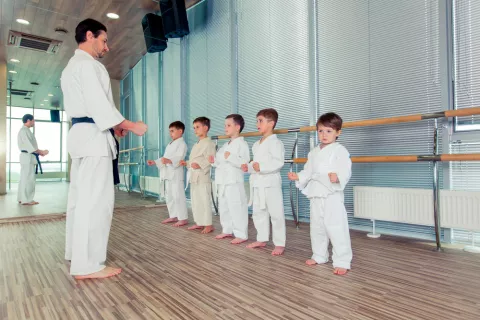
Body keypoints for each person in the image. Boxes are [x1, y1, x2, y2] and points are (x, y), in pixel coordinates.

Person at [61, 18, 147, 280]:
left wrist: (114, 127)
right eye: (104, 40)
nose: (107, 47)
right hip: (93, 140)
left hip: (83, 136)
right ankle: (88, 265)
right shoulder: (88, 66)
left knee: (79, 201)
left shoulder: (70, 67)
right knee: (95, 203)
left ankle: (76, 253)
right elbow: (99, 106)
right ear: (90, 35)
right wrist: (132, 126)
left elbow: (93, 109)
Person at [288, 112, 352, 275]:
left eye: (329, 131)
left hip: (332, 195)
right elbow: (308, 171)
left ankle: (342, 260)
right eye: (321, 131)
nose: (324, 135)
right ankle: (319, 255)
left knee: (336, 227)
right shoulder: (314, 152)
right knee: (317, 227)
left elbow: (345, 169)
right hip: (316, 193)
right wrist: (299, 177)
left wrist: (337, 177)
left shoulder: (340, 150)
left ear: (338, 132)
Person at [241, 108, 286, 256]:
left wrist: (262, 167)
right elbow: (255, 164)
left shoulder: (276, 143)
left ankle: (279, 243)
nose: (257, 124)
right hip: (257, 183)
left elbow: (278, 162)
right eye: (257, 121)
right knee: (258, 212)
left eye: (260, 121)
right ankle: (261, 238)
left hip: (270, 183)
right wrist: (248, 167)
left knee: (276, 213)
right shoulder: (256, 144)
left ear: (271, 123)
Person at [209, 114, 250, 244]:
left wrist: (230, 157)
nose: (225, 128)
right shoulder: (225, 145)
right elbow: (220, 161)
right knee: (224, 206)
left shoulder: (242, 144)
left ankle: (241, 234)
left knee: (237, 207)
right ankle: (227, 230)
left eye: (228, 125)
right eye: (225, 125)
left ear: (237, 127)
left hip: (234, 180)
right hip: (222, 180)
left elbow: (245, 162)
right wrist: (213, 161)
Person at [147, 121, 188, 227]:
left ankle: (182, 218)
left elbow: (179, 158)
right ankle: (173, 215)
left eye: (172, 131)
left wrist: (169, 160)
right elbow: (165, 158)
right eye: (170, 131)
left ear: (180, 131)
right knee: (169, 195)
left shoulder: (182, 144)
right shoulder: (171, 144)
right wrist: (155, 162)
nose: (170, 133)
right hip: (168, 173)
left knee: (177, 196)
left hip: (176, 173)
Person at [180, 117, 216, 234]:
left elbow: (211, 159)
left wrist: (200, 165)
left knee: (204, 200)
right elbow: (194, 160)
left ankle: (208, 224)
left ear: (205, 128)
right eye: (194, 128)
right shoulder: (197, 144)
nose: (195, 130)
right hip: (194, 176)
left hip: (203, 176)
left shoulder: (209, 143)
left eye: (198, 127)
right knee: (196, 201)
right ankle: (199, 222)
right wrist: (187, 163)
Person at [17, 114, 48, 205]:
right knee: (29, 179)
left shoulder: (25, 131)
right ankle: (27, 200)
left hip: (28, 156)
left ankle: (21, 198)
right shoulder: (24, 131)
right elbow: (29, 146)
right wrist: (41, 151)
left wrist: (38, 152)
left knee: (24, 178)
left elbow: (31, 147)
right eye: (33, 120)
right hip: (27, 157)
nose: (34, 122)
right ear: (28, 120)